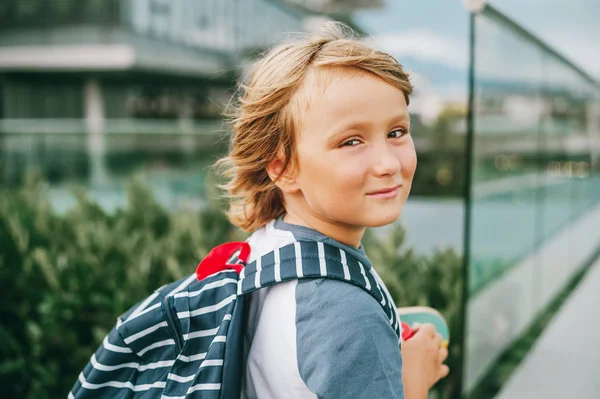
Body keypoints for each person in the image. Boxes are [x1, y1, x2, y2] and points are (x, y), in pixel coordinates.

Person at [215, 21, 449, 399]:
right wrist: (413, 379)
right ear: (283, 167)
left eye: (396, 132)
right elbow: (336, 329)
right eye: (351, 141)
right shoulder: (349, 319)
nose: (388, 163)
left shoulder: (264, 249)